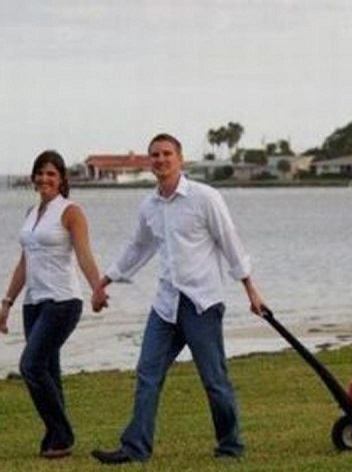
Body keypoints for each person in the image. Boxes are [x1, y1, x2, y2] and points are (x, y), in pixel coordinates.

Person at [90, 133, 267, 465]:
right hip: (165, 305)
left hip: (202, 303)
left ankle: (230, 445)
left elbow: (230, 243)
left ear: (180, 158)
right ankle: (135, 448)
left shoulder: (205, 198)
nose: (160, 159)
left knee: (214, 380)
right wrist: (105, 281)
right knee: (147, 373)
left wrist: (251, 291)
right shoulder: (149, 206)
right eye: (154, 155)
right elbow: (138, 248)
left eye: (167, 153)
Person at [0, 150, 106, 459]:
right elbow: (24, 262)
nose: (44, 179)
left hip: (63, 301)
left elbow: (84, 254)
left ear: (61, 180)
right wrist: (7, 301)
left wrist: (98, 288)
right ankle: (56, 436)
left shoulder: (71, 212)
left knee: (30, 366)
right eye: (40, 173)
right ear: (33, 177)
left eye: (51, 174)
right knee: (48, 370)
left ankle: (62, 433)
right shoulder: (31, 215)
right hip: (34, 304)